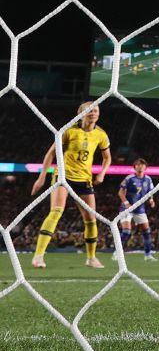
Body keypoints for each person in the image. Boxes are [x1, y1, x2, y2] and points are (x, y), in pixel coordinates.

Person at [31, 102, 112, 269]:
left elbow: (107, 157)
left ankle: (91, 258)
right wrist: (41, 178)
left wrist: (102, 173)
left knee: (91, 219)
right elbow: (51, 152)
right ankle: (38, 256)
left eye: (95, 110)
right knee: (56, 212)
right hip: (63, 177)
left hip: (84, 180)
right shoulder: (69, 130)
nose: (93, 113)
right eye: (89, 111)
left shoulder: (101, 135)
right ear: (80, 114)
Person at [117, 158, 157, 261]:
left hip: (140, 209)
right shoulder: (129, 178)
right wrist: (126, 203)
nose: (140, 167)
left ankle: (148, 255)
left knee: (147, 231)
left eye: (142, 165)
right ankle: (117, 253)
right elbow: (121, 192)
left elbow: (150, 193)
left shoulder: (148, 179)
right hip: (126, 209)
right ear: (134, 167)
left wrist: (151, 200)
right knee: (126, 231)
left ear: (145, 167)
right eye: (138, 165)